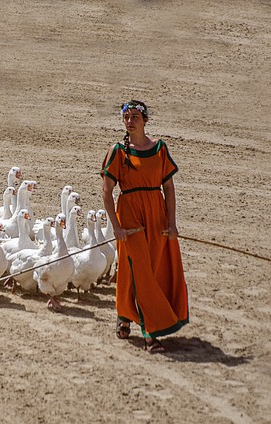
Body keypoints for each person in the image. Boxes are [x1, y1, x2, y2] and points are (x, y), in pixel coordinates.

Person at [100, 100, 189, 353]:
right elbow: (107, 191)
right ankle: (150, 333)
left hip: (156, 215)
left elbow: (168, 188)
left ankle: (124, 314)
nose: (130, 121)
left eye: (135, 117)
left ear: (145, 120)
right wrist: (116, 226)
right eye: (127, 117)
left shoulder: (160, 149)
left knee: (149, 269)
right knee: (140, 272)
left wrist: (171, 223)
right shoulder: (117, 151)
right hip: (130, 217)